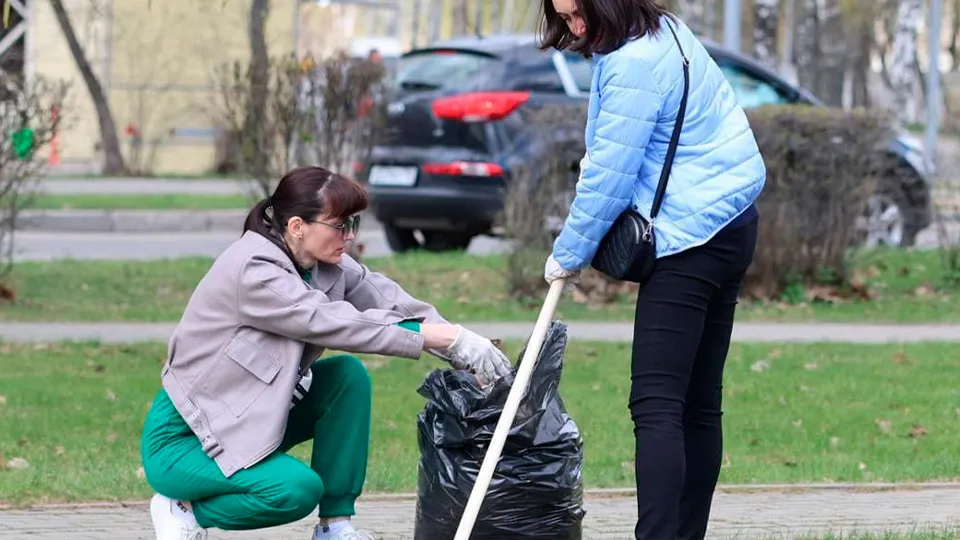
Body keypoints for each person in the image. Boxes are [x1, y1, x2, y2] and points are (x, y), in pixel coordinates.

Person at [141, 166, 512, 540]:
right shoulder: (253, 270)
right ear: (298, 225)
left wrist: (463, 347)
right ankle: (183, 508)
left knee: (346, 378)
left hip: (248, 421)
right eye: (340, 225)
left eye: (354, 223)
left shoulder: (324, 263)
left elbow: (391, 301)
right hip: (187, 439)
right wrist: (439, 338)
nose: (350, 236)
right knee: (294, 490)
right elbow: (331, 321)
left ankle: (335, 527)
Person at [538, 1, 765, 540]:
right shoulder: (668, 31)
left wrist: (568, 254)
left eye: (579, 14)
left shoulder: (632, 63)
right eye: (563, 16)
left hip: (691, 237)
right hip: (734, 218)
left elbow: (609, 177)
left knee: (658, 403)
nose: (574, 27)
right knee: (699, 402)